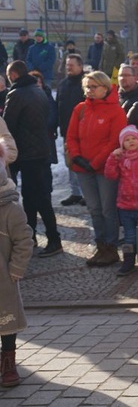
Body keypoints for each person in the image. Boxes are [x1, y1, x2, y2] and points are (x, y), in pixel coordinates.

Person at [66, 71, 127, 267]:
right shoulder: (80, 109)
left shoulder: (116, 110)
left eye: (94, 87)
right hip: (83, 167)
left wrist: (94, 162)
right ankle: (100, 245)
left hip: (104, 168)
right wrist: (77, 157)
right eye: (87, 87)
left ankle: (111, 247)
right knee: (94, 209)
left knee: (108, 209)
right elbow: (71, 136)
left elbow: (113, 141)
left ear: (105, 87)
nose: (90, 91)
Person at [4, 61, 62, 257]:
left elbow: (8, 126)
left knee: (37, 198)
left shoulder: (17, 94)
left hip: (27, 154)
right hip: (40, 152)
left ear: (12, 75)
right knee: (34, 197)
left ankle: (53, 239)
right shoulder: (38, 90)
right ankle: (32, 237)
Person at [0, 144, 34, 388]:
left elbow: (24, 241)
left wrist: (15, 270)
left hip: (3, 279)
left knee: (6, 323)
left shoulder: (11, 210)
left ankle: (8, 361)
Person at [104, 125, 138, 276]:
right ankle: (128, 261)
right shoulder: (121, 158)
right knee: (129, 236)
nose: (131, 142)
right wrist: (112, 158)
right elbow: (110, 175)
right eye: (127, 140)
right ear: (122, 143)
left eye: (133, 139)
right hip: (126, 206)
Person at [57, 54, 87, 207]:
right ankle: (75, 192)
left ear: (80, 67)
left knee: (84, 161)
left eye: (72, 65)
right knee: (71, 162)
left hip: (85, 131)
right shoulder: (62, 84)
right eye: (67, 65)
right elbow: (58, 107)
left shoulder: (87, 84)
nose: (68, 67)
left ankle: (87, 193)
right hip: (67, 131)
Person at [28, 71, 58, 168]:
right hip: (31, 138)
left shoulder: (48, 97)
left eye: (39, 82)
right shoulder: (24, 98)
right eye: (34, 83)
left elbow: (53, 115)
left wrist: (45, 126)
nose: (37, 85)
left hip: (46, 135)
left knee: (46, 167)